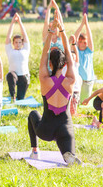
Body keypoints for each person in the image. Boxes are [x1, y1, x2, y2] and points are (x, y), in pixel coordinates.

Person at [27, 12, 82, 166]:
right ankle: (67, 154)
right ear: (65, 65)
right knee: (67, 146)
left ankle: (35, 150)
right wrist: (62, 31)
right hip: (65, 130)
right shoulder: (71, 80)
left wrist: (52, 31)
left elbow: (44, 54)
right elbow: (71, 59)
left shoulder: (44, 79)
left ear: (49, 64)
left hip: (45, 129)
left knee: (33, 114)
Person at [5, 13, 30, 102]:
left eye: (20, 42)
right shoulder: (10, 51)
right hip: (14, 75)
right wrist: (12, 23)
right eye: (16, 42)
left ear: (22, 43)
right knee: (10, 75)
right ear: (13, 43)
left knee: (21, 99)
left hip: (24, 76)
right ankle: (12, 96)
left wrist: (20, 22)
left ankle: (17, 97)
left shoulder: (25, 50)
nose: (18, 44)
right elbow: (8, 37)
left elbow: (25, 35)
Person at [74, 13, 94, 102]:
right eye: (80, 42)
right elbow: (74, 38)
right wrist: (82, 24)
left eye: (84, 42)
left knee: (85, 102)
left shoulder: (89, 51)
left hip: (88, 81)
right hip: (77, 82)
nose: (82, 44)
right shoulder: (75, 50)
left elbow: (90, 38)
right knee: (77, 102)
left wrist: (87, 25)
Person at [69, 35, 82, 116]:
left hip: (76, 89)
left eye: (73, 55)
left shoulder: (75, 65)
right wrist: (69, 42)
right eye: (70, 55)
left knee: (73, 110)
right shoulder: (66, 65)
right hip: (69, 89)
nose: (72, 56)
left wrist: (74, 45)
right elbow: (65, 51)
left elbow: (76, 53)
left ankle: (73, 115)